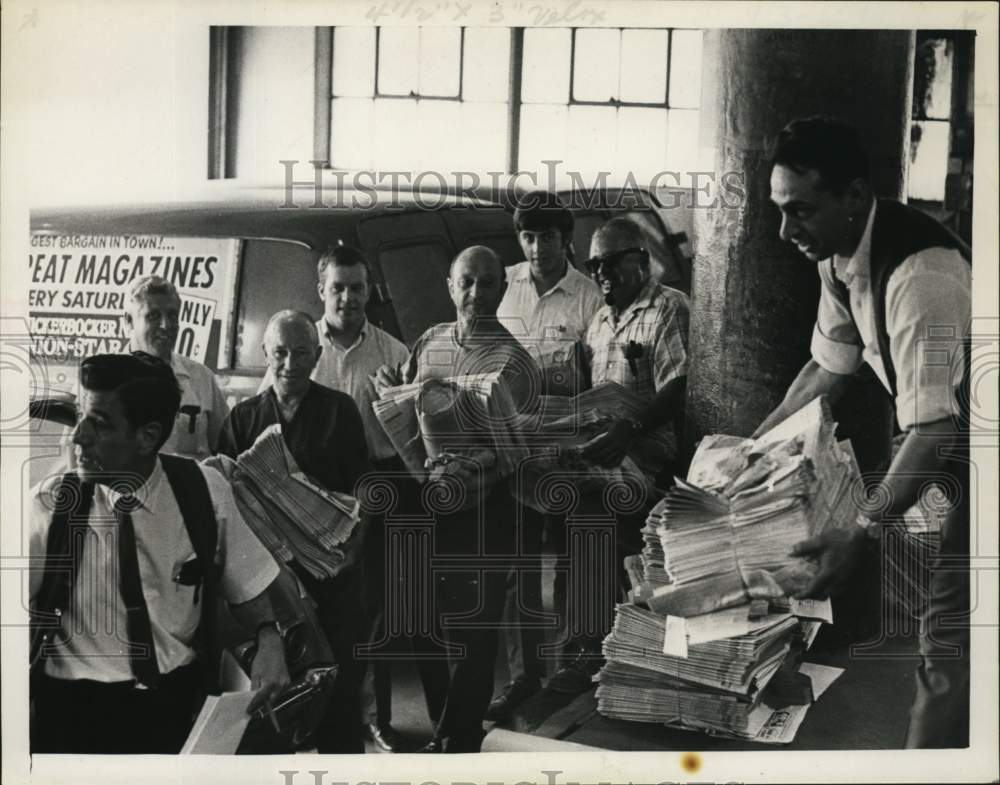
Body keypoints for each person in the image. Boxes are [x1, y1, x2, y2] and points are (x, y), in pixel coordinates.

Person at [757, 116, 971, 749]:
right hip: (962, 456)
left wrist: (861, 532)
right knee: (956, 631)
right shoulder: (840, 255)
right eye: (778, 209)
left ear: (853, 197)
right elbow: (829, 366)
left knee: (947, 639)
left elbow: (934, 432)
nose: (785, 231)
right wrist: (748, 451)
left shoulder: (919, 276)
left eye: (800, 211)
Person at [29, 352, 289, 754]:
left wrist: (270, 640)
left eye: (98, 423)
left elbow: (250, 589)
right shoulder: (48, 506)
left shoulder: (203, 493)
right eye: (81, 416)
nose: (77, 436)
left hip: (172, 708)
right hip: (69, 712)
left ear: (148, 436)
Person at [258, 244, 446, 752]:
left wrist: (399, 400)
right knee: (327, 616)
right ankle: (336, 717)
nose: (347, 298)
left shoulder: (393, 352)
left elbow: (420, 437)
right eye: (337, 288)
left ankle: (420, 726)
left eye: (357, 287)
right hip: (312, 496)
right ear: (321, 291)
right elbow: (266, 414)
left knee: (400, 608)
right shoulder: (295, 342)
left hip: (384, 487)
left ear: (370, 291)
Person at [375, 245, 544, 752]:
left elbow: (518, 450)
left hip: (485, 512)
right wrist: (392, 389)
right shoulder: (429, 341)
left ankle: (458, 738)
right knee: (425, 621)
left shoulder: (514, 362)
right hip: (431, 504)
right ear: (450, 286)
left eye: (488, 283)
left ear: (501, 288)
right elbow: (408, 398)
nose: (476, 294)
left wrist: (473, 465)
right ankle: (440, 721)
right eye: (466, 282)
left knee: (474, 631)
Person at [547, 216, 691, 694]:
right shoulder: (599, 323)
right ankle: (581, 650)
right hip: (606, 453)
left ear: (640, 260)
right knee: (566, 509)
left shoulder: (669, 307)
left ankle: (591, 652)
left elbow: (679, 384)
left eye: (610, 263)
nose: (601, 274)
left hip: (650, 457)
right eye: (593, 265)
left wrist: (631, 429)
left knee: (593, 517)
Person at [218, 310, 371, 754]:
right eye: (280, 352)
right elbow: (223, 491)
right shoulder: (245, 417)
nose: (289, 363)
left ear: (317, 355)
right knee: (279, 699)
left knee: (340, 693)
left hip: (333, 575)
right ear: (266, 353)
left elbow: (364, 487)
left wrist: (355, 552)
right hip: (272, 580)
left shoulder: (339, 410)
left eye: (301, 353)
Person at [487, 192, 603, 720]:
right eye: (528, 237)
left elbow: (598, 380)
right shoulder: (502, 285)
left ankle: (571, 668)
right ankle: (523, 675)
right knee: (519, 564)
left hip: (566, 449)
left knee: (573, 560)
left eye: (547, 237)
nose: (536, 247)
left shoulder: (587, 296)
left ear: (566, 240)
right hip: (511, 450)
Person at [123, 275, 230, 459]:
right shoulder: (99, 377)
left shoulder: (201, 377)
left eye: (172, 315)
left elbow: (229, 448)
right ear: (128, 322)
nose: (166, 325)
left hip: (190, 486)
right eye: (154, 316)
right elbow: (79, 456)